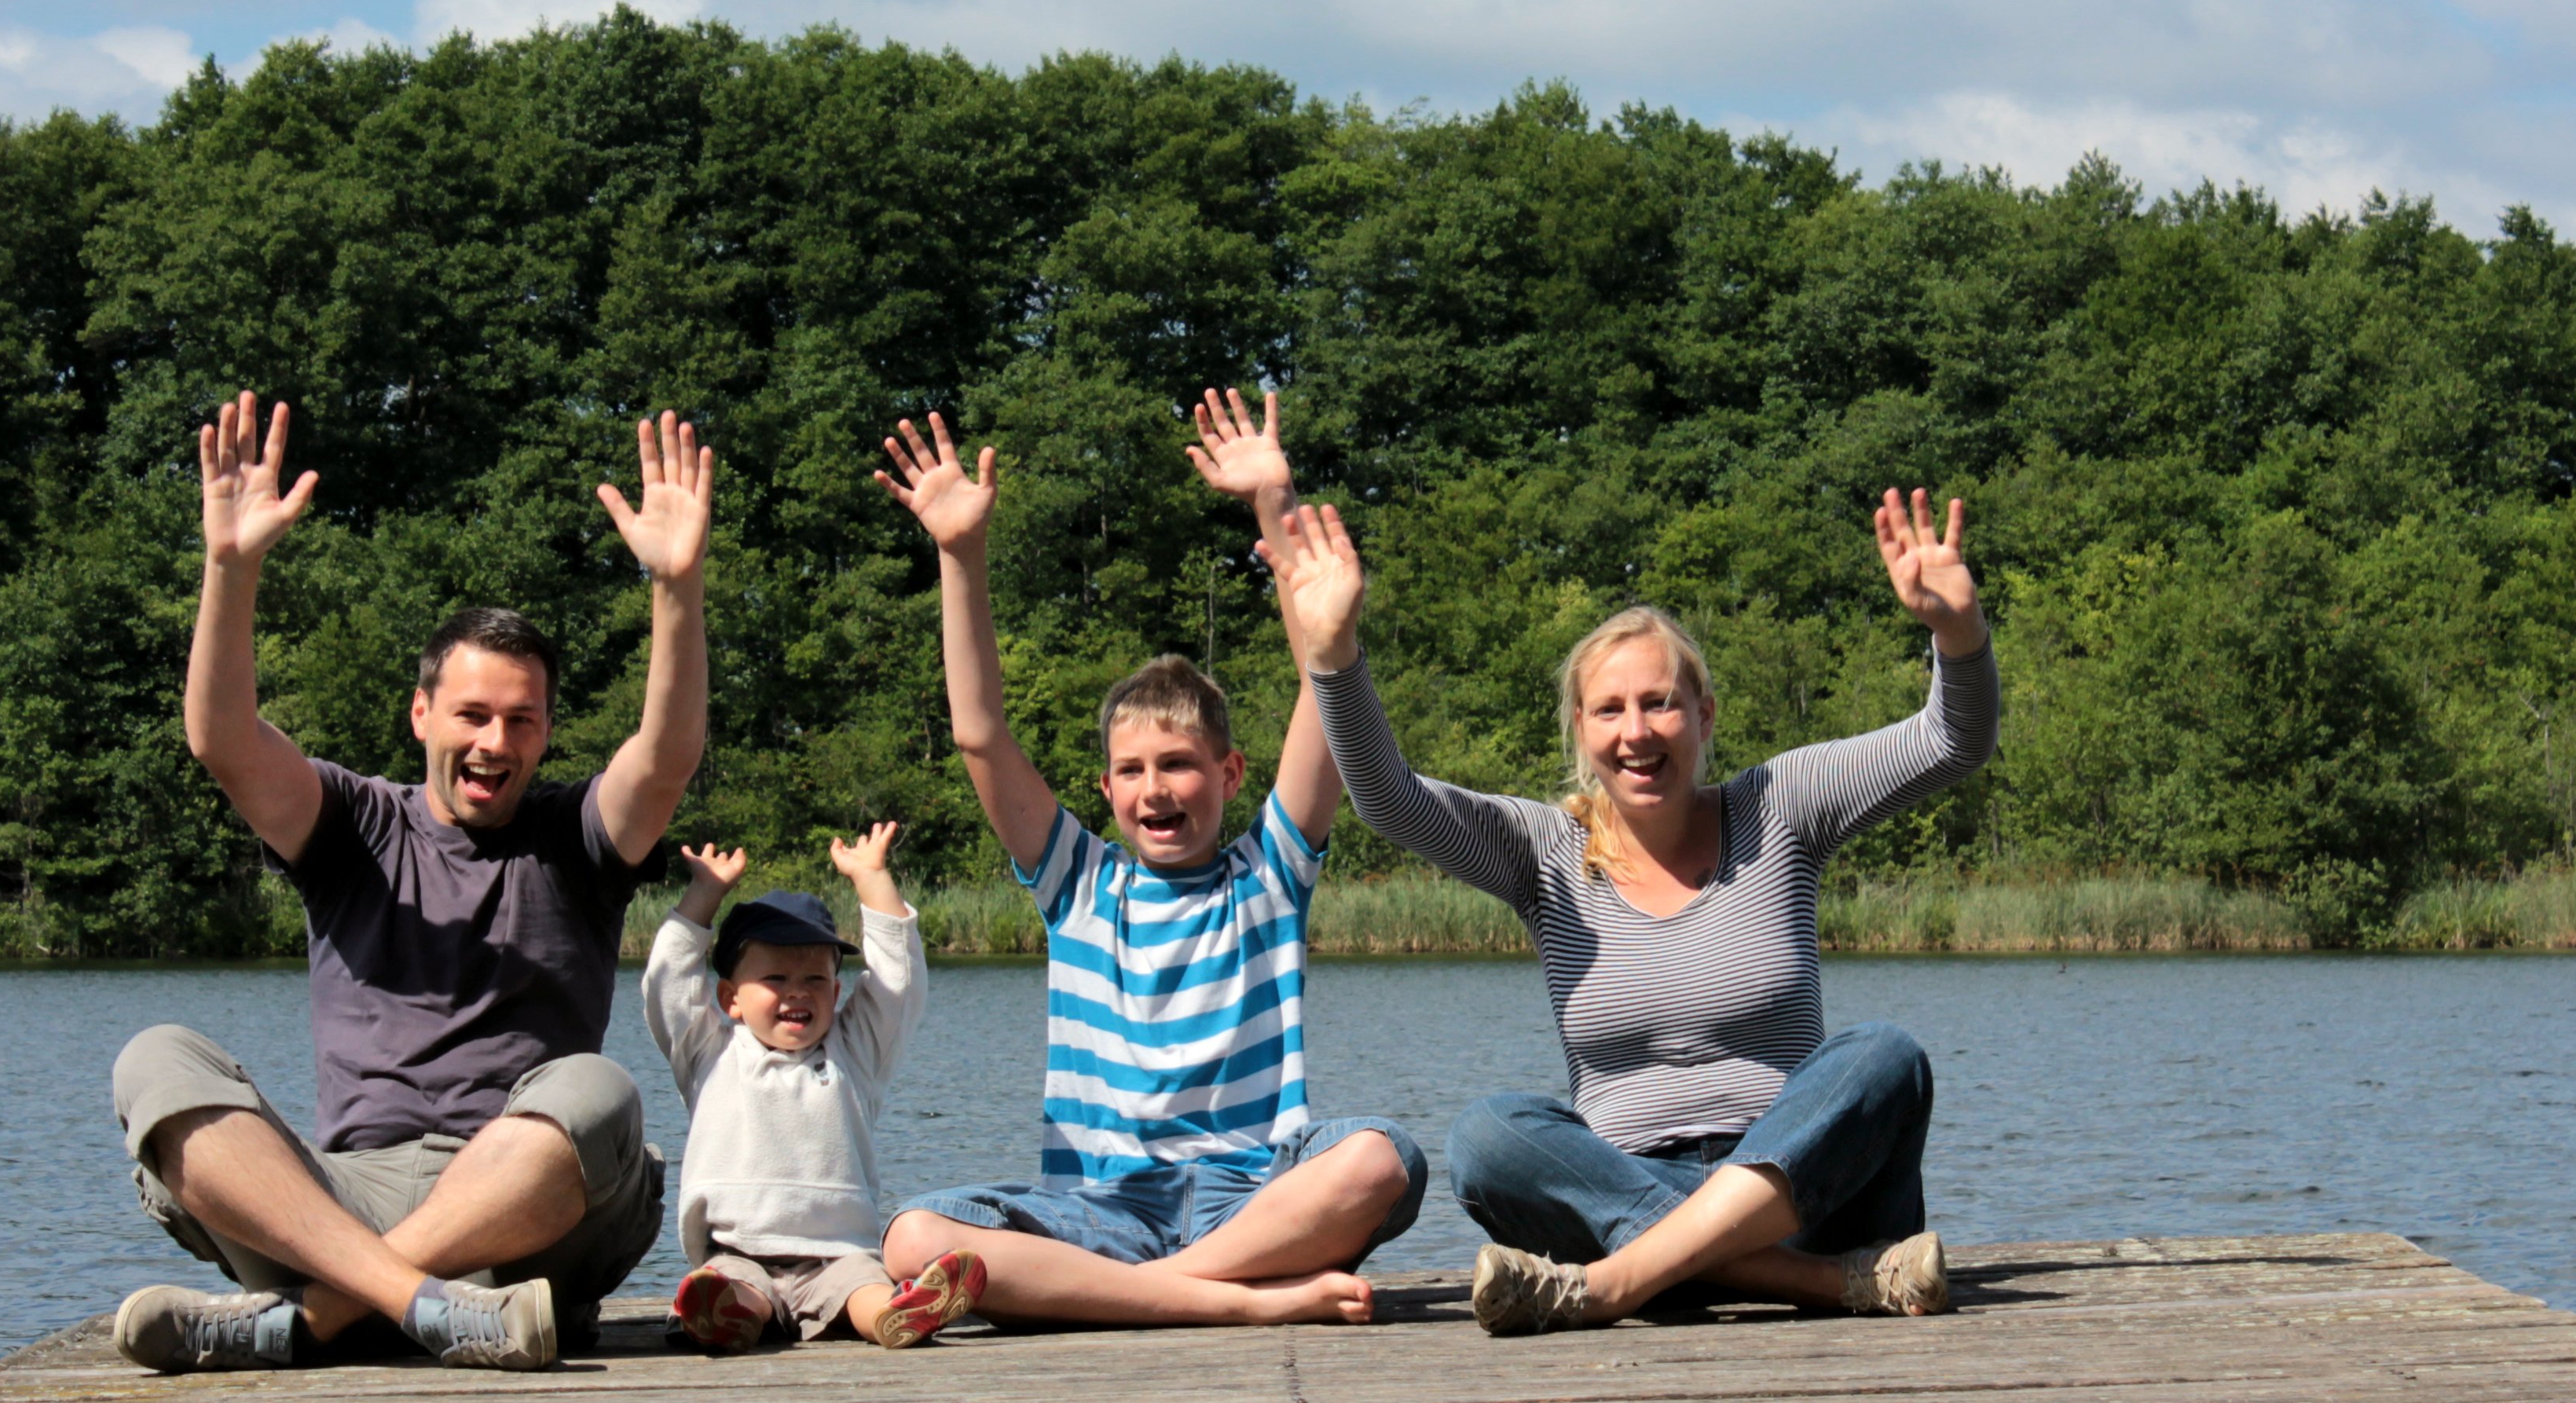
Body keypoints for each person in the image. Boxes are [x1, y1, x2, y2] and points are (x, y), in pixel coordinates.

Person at [1263, 483, 2001, 1336]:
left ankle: (1622, 1286)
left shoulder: (1783, 806)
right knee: (1485, 1138)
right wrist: (1335, 655)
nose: (1637, 730)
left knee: (1885, 1059)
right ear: (1580, 731)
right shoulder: (1543, 850)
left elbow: (1953, 740)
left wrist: (1957, 630)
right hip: (1617, 1186)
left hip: (1805, 1194)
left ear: (1704, 715)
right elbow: (1388, 801)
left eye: (1660, 703)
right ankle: (1817, 1285)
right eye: (1609, 709)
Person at [104, 390, 708, 1374]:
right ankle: (425, 1305)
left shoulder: (577, 838)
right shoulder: (353, 826)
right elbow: (222, 742)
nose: (495, 741)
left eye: (522, 721)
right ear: (422, 714)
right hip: (342, 1198)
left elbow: (667, 759)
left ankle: (313, 1322)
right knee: (156, 1062)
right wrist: (230, 566)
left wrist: (676, 591)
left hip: (530, 1200)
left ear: (548, 732)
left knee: (599, 1094)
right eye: (472, 714)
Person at [867, 386, 1426, 1327]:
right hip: (1101, 1205)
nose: (1156, 788)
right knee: (912, 1239)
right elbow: (980, 736)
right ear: (1107, 790)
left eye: (1179, 765)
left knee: (1383, 1160)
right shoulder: (1078, 885)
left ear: (1229, 770)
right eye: (1132, 770)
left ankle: (1151, 1295)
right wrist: (959, 553)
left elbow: (1324, 679)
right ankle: (1228, 1303)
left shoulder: (1268, 876)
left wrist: (1273, 504)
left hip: (1252, 1198)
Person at [642, 823, 987, 1353]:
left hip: (838, 1254)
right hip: (739, 1252)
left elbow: (900, 982)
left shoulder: (854, 1052)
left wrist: (872, 879)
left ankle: (900, 1314)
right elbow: (667, 982)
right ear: (731, 997)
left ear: (837, 989)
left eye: (815, 980)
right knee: (734, 1291)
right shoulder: (710, 1052)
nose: (796, 993)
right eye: (775, 979)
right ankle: (725, 1318)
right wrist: (704, 894)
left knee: (864, 1291)